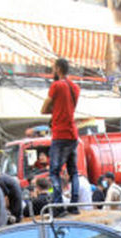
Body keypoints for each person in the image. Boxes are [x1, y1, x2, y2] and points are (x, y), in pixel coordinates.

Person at [41, 57, 81, 208]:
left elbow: (44, 108)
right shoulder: (75, 88)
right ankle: (74, 205)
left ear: (58, 69)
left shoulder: (56, 86)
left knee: (54, 172)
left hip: (60, 134)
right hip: (73, 134)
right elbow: (71, 108)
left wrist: (54, 109)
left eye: (53, 68)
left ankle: (58, 206)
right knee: (74, 172)